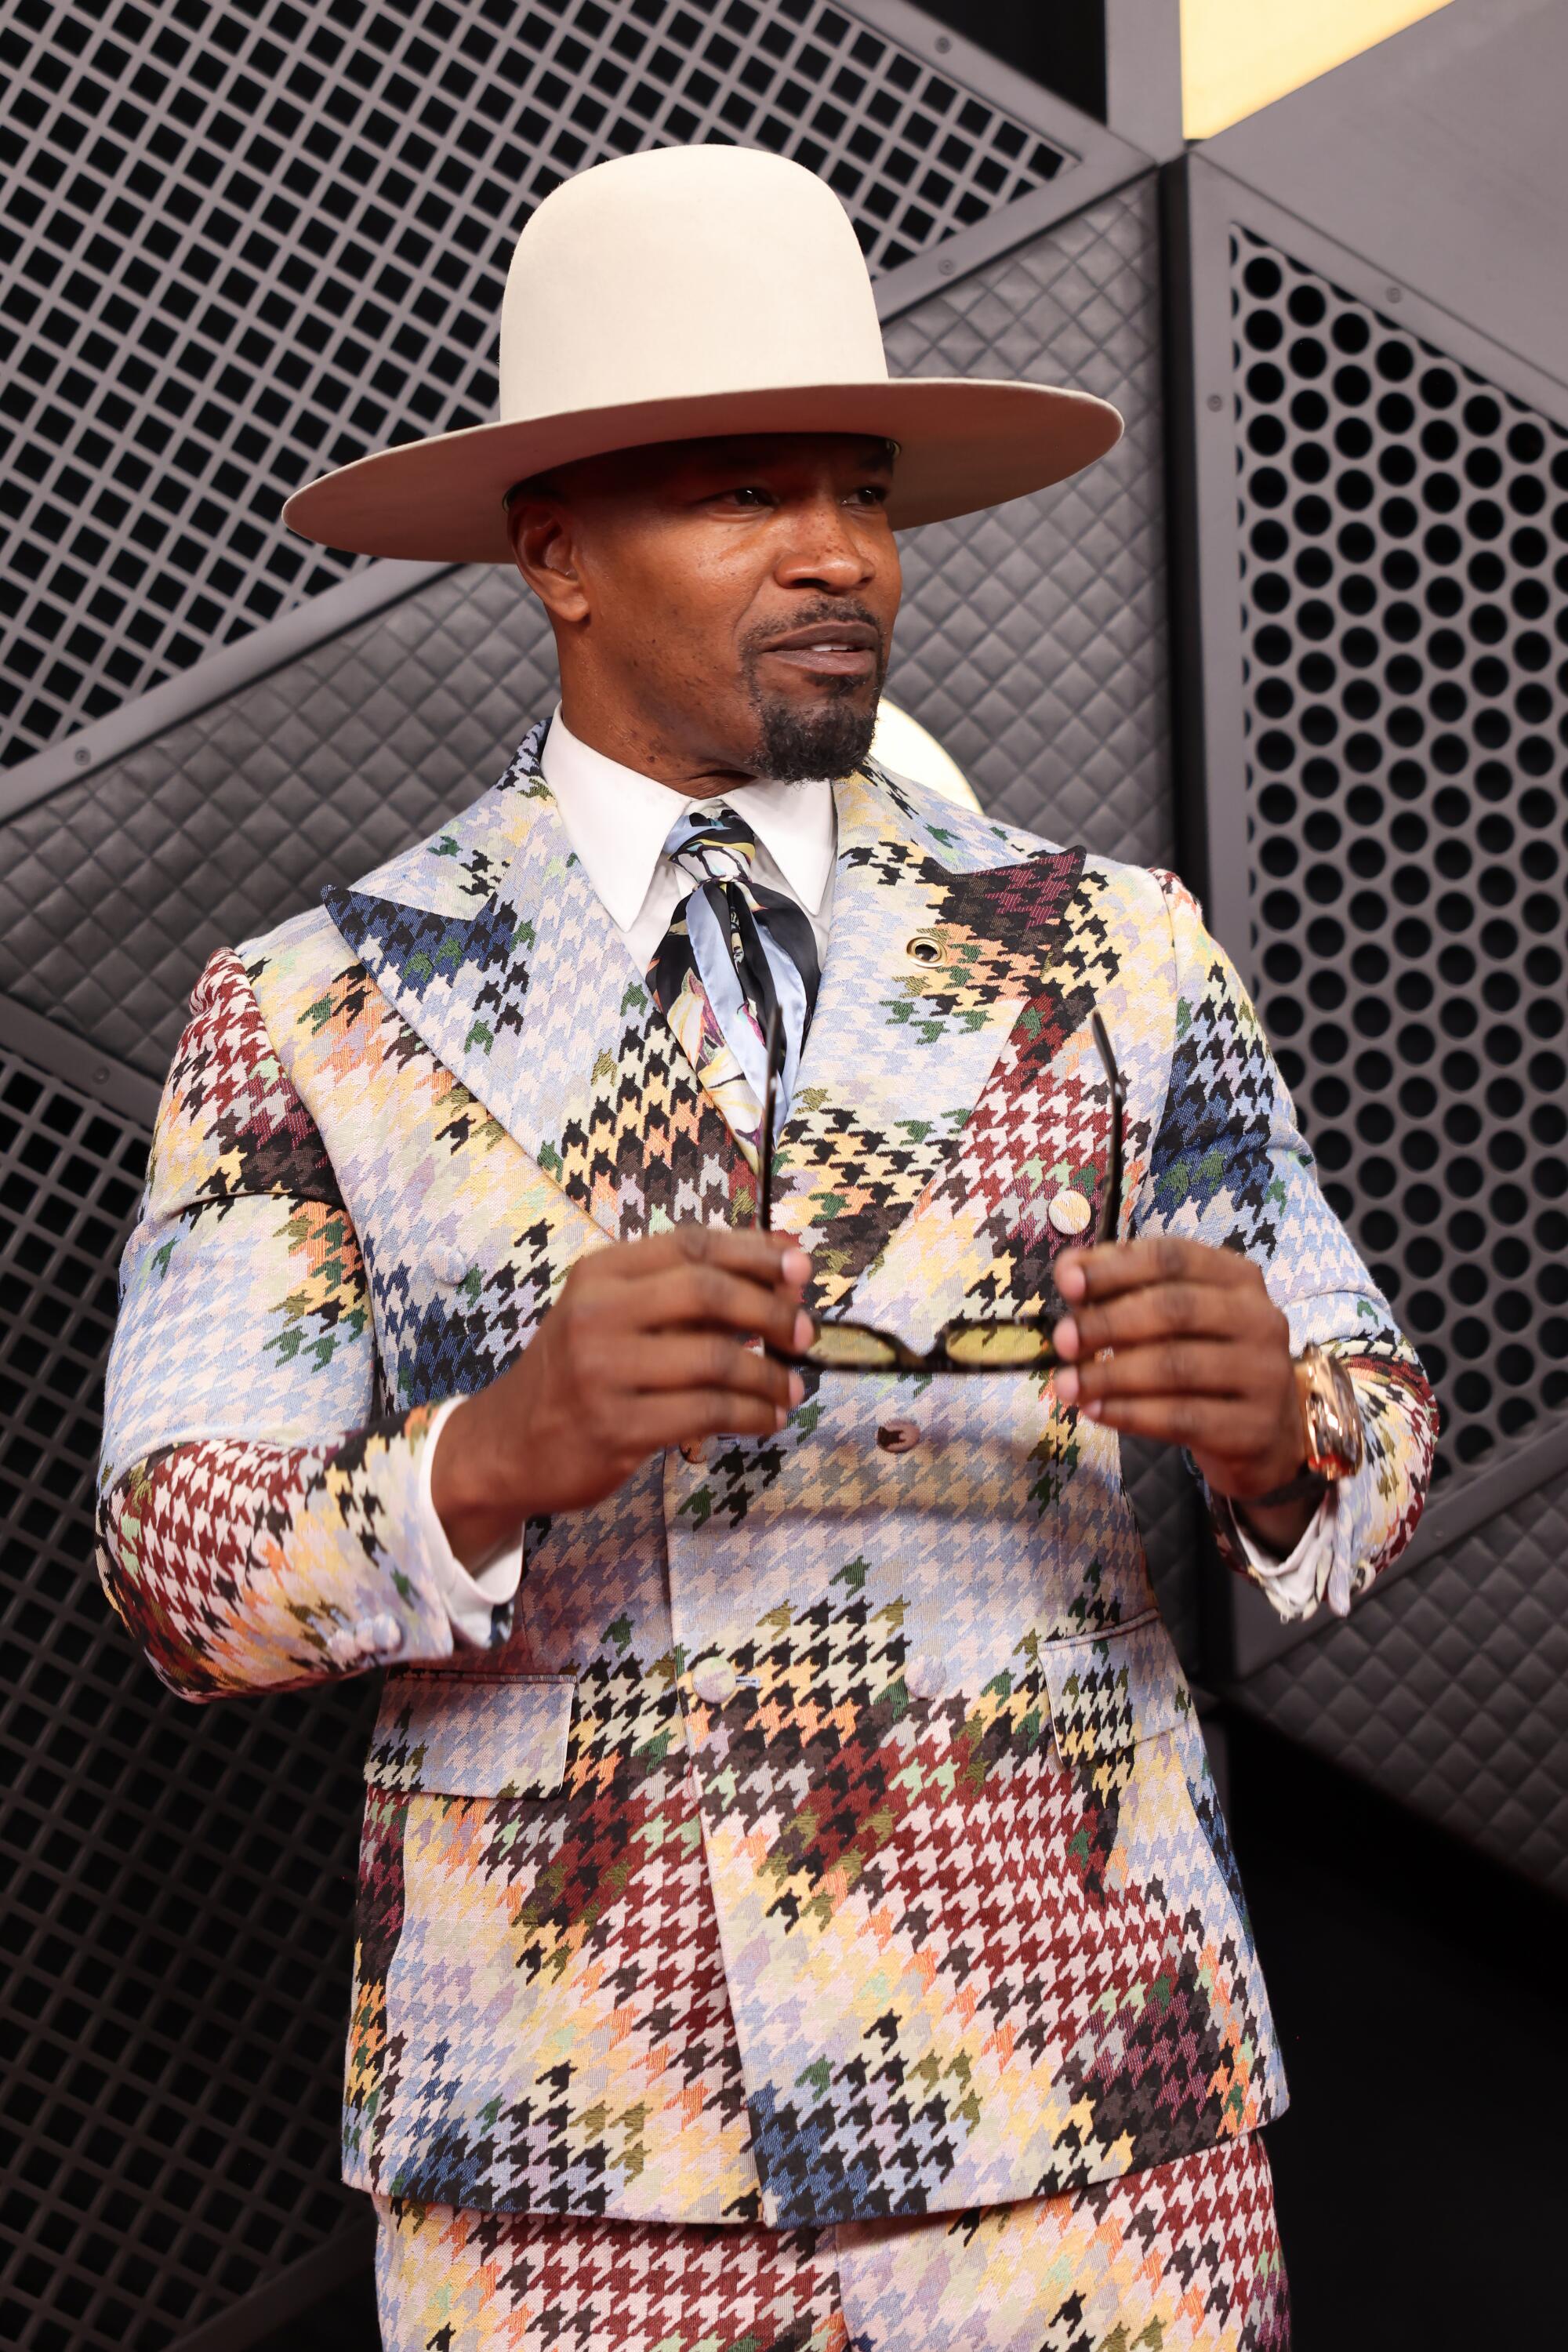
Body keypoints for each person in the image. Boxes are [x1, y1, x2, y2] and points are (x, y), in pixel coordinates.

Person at [97, 145, 1434, 2350]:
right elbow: (175, 1576)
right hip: (565, 2150)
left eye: (861, 491)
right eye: (741, 492)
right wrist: (493, 1452)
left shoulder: (1111, 949)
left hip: (1082, 2126)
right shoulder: (318, 1006)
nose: (836, 556)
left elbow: (1378, 1438)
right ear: (556, 555)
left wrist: (1290, 1438)